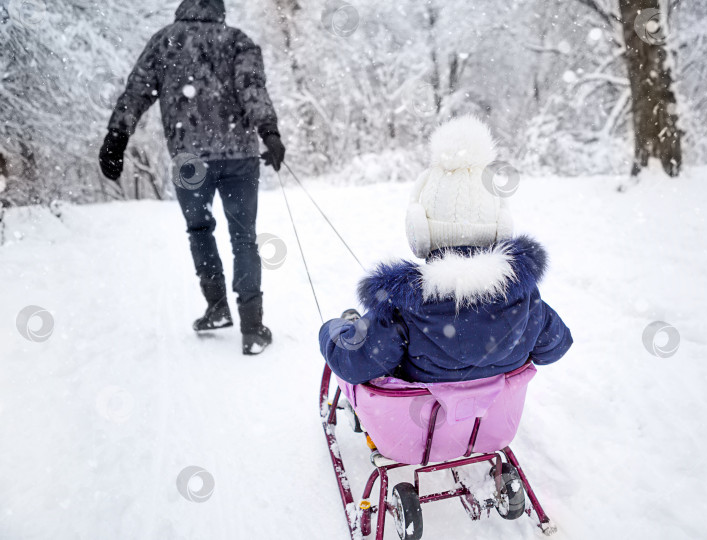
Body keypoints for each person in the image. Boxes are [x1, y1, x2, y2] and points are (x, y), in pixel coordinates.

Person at [320, 116, 572, 384]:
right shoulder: (523, 297)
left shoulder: (405, 305)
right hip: (492, 421)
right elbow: (556, 346)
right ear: (500, 229)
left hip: (421, 424)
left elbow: (351, 364)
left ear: (420, 231)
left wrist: (333, 329)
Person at [98, 0, 285, 355]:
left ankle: (216, 309)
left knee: (200, 230)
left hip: (190, 159)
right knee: (244, 237)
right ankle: (252, 327)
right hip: (239, 157)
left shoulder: (165, 41)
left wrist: (117, 136)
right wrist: (269, 132)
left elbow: (137, 91)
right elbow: (253, 89)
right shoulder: (238, 41)